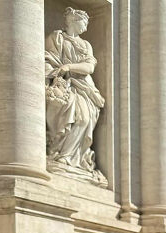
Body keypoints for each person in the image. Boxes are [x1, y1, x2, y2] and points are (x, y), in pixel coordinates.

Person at [45, 7, 106, 183]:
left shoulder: (86, 44)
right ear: (73, 21)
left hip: (84, 87)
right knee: (69, 115)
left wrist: (69, 67)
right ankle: (60, 154)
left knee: (85, 119)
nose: (86, 28)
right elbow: (48, 58)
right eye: (83, 23)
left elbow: (90, 67)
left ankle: (69, 158)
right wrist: (59, 71)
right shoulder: (56, 37)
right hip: (63, 85)